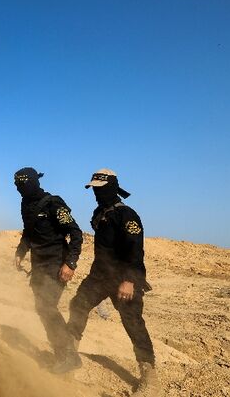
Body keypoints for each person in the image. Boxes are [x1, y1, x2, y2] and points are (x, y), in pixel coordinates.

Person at [67, 169, 157, 395]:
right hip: (100, 276)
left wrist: (129, 280)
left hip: (124, 278)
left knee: (132, 321)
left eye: (100, 188)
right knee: (78, 304)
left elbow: (135, 250)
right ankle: (67, 356)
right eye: (94, 188)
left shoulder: (127, 215)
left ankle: (149, 374)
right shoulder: (102, 212)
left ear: (112, 187)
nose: (96, 192)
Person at [13, 167, 83, 373]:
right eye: (17, 185)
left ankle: (70, 356)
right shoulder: (26, 204)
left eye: (24, 184)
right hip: (38, 266)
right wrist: (20, 252)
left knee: (47, 307)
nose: (20, 188)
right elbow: (28, 232)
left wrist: (70, 263)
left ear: (34, 182)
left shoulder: (53, 203)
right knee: (41, 308)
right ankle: (61, 353)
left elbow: (76, 233)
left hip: (57, 264)